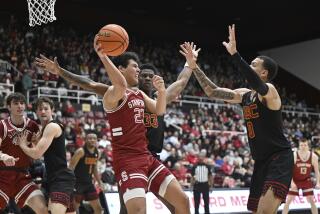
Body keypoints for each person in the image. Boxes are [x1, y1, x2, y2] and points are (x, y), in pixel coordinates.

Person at [35, 41, 199, 214]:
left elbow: (167, 100)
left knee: (182, 202)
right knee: (130, 210)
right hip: (128, 160)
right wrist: (62, 71)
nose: (143, 74)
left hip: (149, 157)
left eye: (148, 74)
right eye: (138, 70)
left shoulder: (146, 95)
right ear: (122, 69)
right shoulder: (114, 92)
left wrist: (187, 65)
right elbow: (89, 83)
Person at [180, 25, 294, 213]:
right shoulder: (244, 95)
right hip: (261, 161)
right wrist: (194, 67)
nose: (250, 66)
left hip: (279, 157)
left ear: (264, 73)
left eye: (254, 64)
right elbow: (212, 91)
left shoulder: (270, 92)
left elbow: (256, 83)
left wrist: (235, 54)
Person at [16, 97, 76, 214]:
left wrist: (23, 145)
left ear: (52, 110)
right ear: (36, 112)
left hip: (60, 178)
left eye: (46, 108)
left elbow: (36, 154)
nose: (43, 111)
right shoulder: (44, 129)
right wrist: (34, 143)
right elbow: (41, 153)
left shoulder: (52, 126)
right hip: (52, 178)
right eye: (40, 109)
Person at [0, 93, 48, 214]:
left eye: (22, 103)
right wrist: (4, 156)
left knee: (42, 209)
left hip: (23, 176)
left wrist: (34, 144)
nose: (20, 106)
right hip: (2, 175)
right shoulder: (2, 125)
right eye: (16, 103)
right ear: (9, 107)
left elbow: (38, 152)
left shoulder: (32, 126)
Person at [69, 131, 104, 214]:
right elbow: (71, 168)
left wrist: (99, 182)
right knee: (74, 209)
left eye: (94, 138)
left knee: (98, 209)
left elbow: (94, 168)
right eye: (90, 138)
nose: (92, 140)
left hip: (88, 183)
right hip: (77, 183)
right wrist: (69, 183)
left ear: (96, 140)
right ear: (85, 140)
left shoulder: (97, 152)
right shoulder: (80, 151)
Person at [282, 139, 320, 214]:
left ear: (308, 146)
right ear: (299, 146)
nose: (303, 147)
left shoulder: (314, 156)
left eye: (305, 145)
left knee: (312, 201)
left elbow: (317, 171)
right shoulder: (295, 155)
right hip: (295, 180)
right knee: (288, 200)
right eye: (301, 145)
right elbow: (289, 171)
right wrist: (292, 182)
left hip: (306, 180)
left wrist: (318, 182)